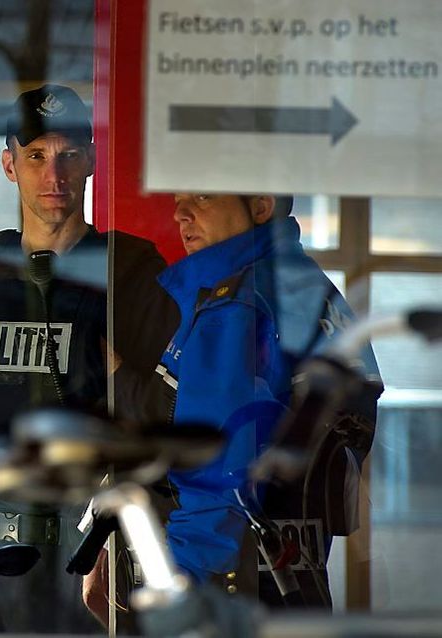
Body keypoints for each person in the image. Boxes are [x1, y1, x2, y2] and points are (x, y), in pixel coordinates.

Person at [0, 84, 176, 632]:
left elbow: (168, 421)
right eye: (36, 156)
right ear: (9, 165)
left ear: (91, 161)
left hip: (74, 563)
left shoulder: (128, 271)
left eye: (68, 155)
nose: (54, 176)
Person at [83, 193, 379, 621]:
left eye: (202, 196)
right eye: (180, 197)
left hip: (230, 589)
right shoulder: (313, 292)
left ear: (260, 205)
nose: (180, 212)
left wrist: (174, 591)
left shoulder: (236, 307)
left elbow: (218, 476)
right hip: (297, 581)